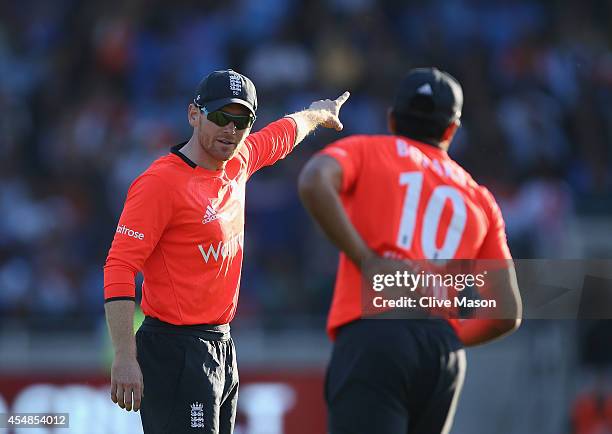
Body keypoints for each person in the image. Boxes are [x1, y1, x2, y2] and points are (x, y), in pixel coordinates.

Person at [103, 68, 349, 433]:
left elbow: (285, 132)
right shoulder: (160, 183)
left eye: (242, 120)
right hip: (174, 350)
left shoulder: (239, 161)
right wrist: (124, 357)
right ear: (193, 114)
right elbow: (119, 266)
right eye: (220, 117)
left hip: (220, 344)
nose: (231, 130)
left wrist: (318, 113)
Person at [298, 67, 522, 434]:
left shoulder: (368, 149)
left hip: (375, 335)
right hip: (442, 352)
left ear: (392, 118)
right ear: (451, 130)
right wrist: (448, 336)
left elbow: (314, 180)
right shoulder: (479, 198)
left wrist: (367, 259)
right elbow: (506, 313)